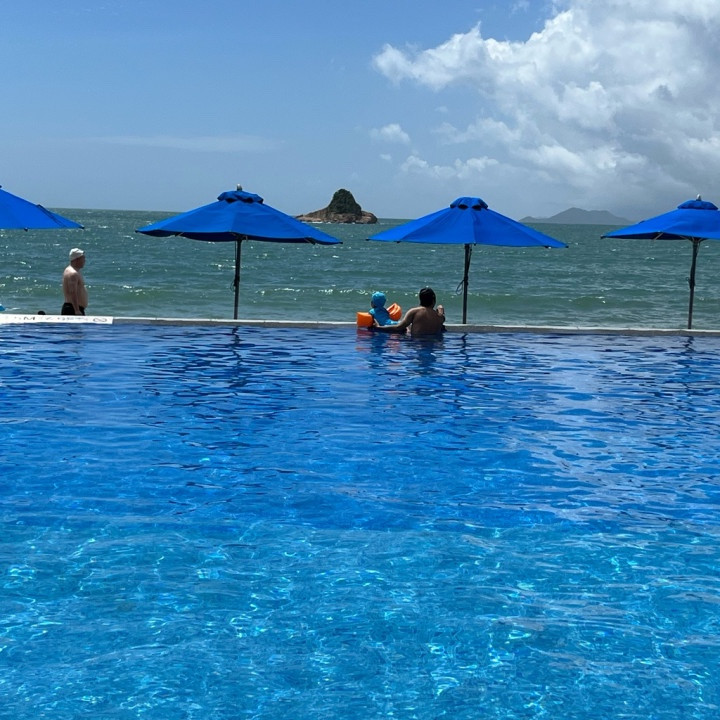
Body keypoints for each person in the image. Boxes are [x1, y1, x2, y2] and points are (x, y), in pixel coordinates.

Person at [373, 287, 445, 337]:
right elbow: (441, 313)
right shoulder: (439, 317)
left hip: (416, 343)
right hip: (433, 342)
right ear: (433, 301)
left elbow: (398, 327)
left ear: (420, 299)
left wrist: (379, 327)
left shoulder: (414, 311)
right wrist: (440, 309)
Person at [62, 248, 88, 316]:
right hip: (73, 309)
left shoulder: (73, 270)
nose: (84, 260)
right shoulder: (73, 273)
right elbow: (72, 292)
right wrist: (77, 310)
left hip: (74, 308)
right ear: (76, 259)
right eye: (82, 258)